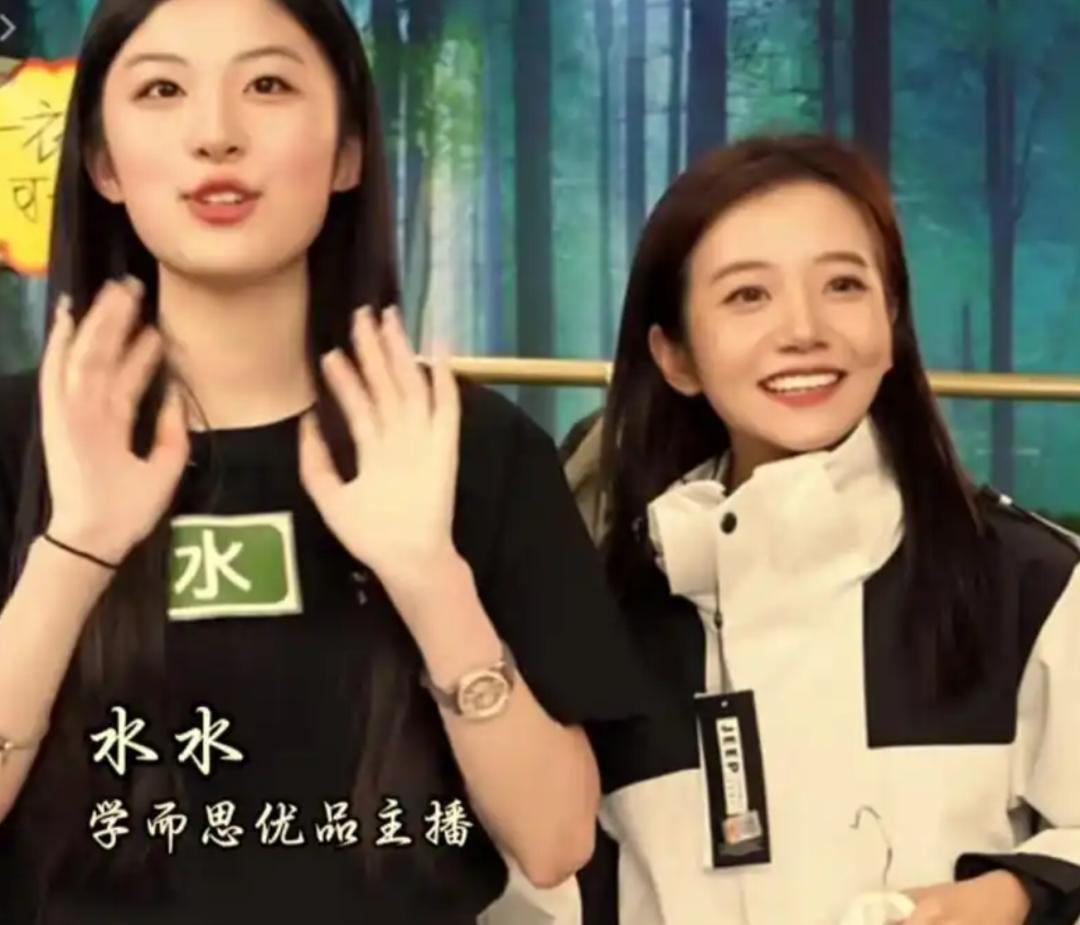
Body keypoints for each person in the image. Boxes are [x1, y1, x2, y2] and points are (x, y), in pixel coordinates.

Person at [0, 0, 654, 922]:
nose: (216, 134)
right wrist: (75, 549)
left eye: (267, 84)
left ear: (348, 152)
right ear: (104, 163)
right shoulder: (19, 440)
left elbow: (555, 839)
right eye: (161, 90)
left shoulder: (473, 446)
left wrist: (426, 573)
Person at [561, 134, 1080, 924]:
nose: (803, 329)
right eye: (748, 295)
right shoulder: (609, 615)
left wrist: (1011, 896)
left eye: (843, 284)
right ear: (675, 356)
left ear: (891, 319)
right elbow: (549, 887)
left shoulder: (1032, 582)